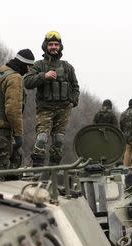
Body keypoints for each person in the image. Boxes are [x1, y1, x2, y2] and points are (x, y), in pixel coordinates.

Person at [24, 31, 79, 167]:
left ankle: (53, 171)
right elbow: (27, 82)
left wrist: (73, 101)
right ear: (46, 46)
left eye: (56, 44)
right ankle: (36, 170)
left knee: (59, 140)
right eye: (51, 44)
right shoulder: (39, 65)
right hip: (45, 109)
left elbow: (75, 86)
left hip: (63, 109)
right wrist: (44, 76)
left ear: (60, 47)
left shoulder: (67, 67)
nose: (54, 47)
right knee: (42, 139)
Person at [0, 49, 35, 170]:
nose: (29, 71)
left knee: (0, 160)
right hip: (1, 128)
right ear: (25, 65)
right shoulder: (15, 78)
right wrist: (18, 134)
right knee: (1, 166)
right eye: (29, 67)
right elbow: (13, 110)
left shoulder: (1, 70)